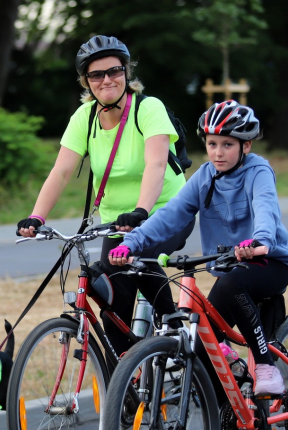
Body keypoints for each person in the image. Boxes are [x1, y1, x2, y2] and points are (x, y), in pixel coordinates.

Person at [108, 100, 288, 399]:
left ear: (246, 146)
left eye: (227, 144)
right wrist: (132, 242)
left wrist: (258, 241)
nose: (218, 152)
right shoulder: (205, 176)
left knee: (234, 282)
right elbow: (171, 215)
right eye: (212, 144)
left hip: (270, 262)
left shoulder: (258, 170)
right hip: (231, 267)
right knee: (203, 346)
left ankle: (265, 366)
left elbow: (265, 209)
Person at [16, 35, 194, 358]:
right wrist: (37, 217)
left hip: (166, 212)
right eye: (97, 74)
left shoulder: (148, 109)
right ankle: (125, 397)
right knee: (113, 310)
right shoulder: (84, 119)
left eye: (114, 71)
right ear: (87, 81)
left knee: (141, 263)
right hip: (116, 222)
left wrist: (142, 210)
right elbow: (61, 172)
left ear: (126, 73)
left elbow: (155, 163)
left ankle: (179, 335)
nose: (107, 80)